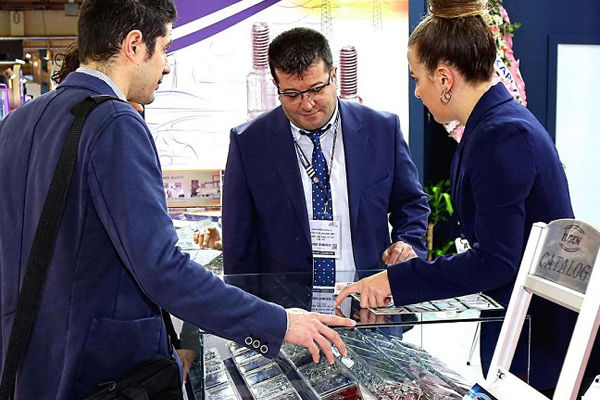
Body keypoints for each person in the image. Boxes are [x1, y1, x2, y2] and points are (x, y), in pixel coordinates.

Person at [0, 1, 355, 399]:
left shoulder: (17, 123)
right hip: (103, 374)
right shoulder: (114, 121)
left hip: (27, 369)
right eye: (165, 48)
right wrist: (277, 323)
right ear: (135, 45)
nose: (166, 66)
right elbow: (162, 268)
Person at [336, 0, 599, 396]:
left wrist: (395, 281)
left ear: (444, 79)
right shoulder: (495, 124)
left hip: (538, 341)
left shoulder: (500, 134)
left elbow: (495, 260)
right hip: (526, 329)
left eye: (417, 78)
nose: (417, 91)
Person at [222, 27, 430, 294]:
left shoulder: (381, 129)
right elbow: (238, 241)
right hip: (287, 310)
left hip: (369, 301)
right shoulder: (249, 143)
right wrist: (247, 312)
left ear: (334, 76)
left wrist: (407, 243)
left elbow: (411, 202)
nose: (307, 104)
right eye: (292, 94)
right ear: (276, 86)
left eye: (316, 89)